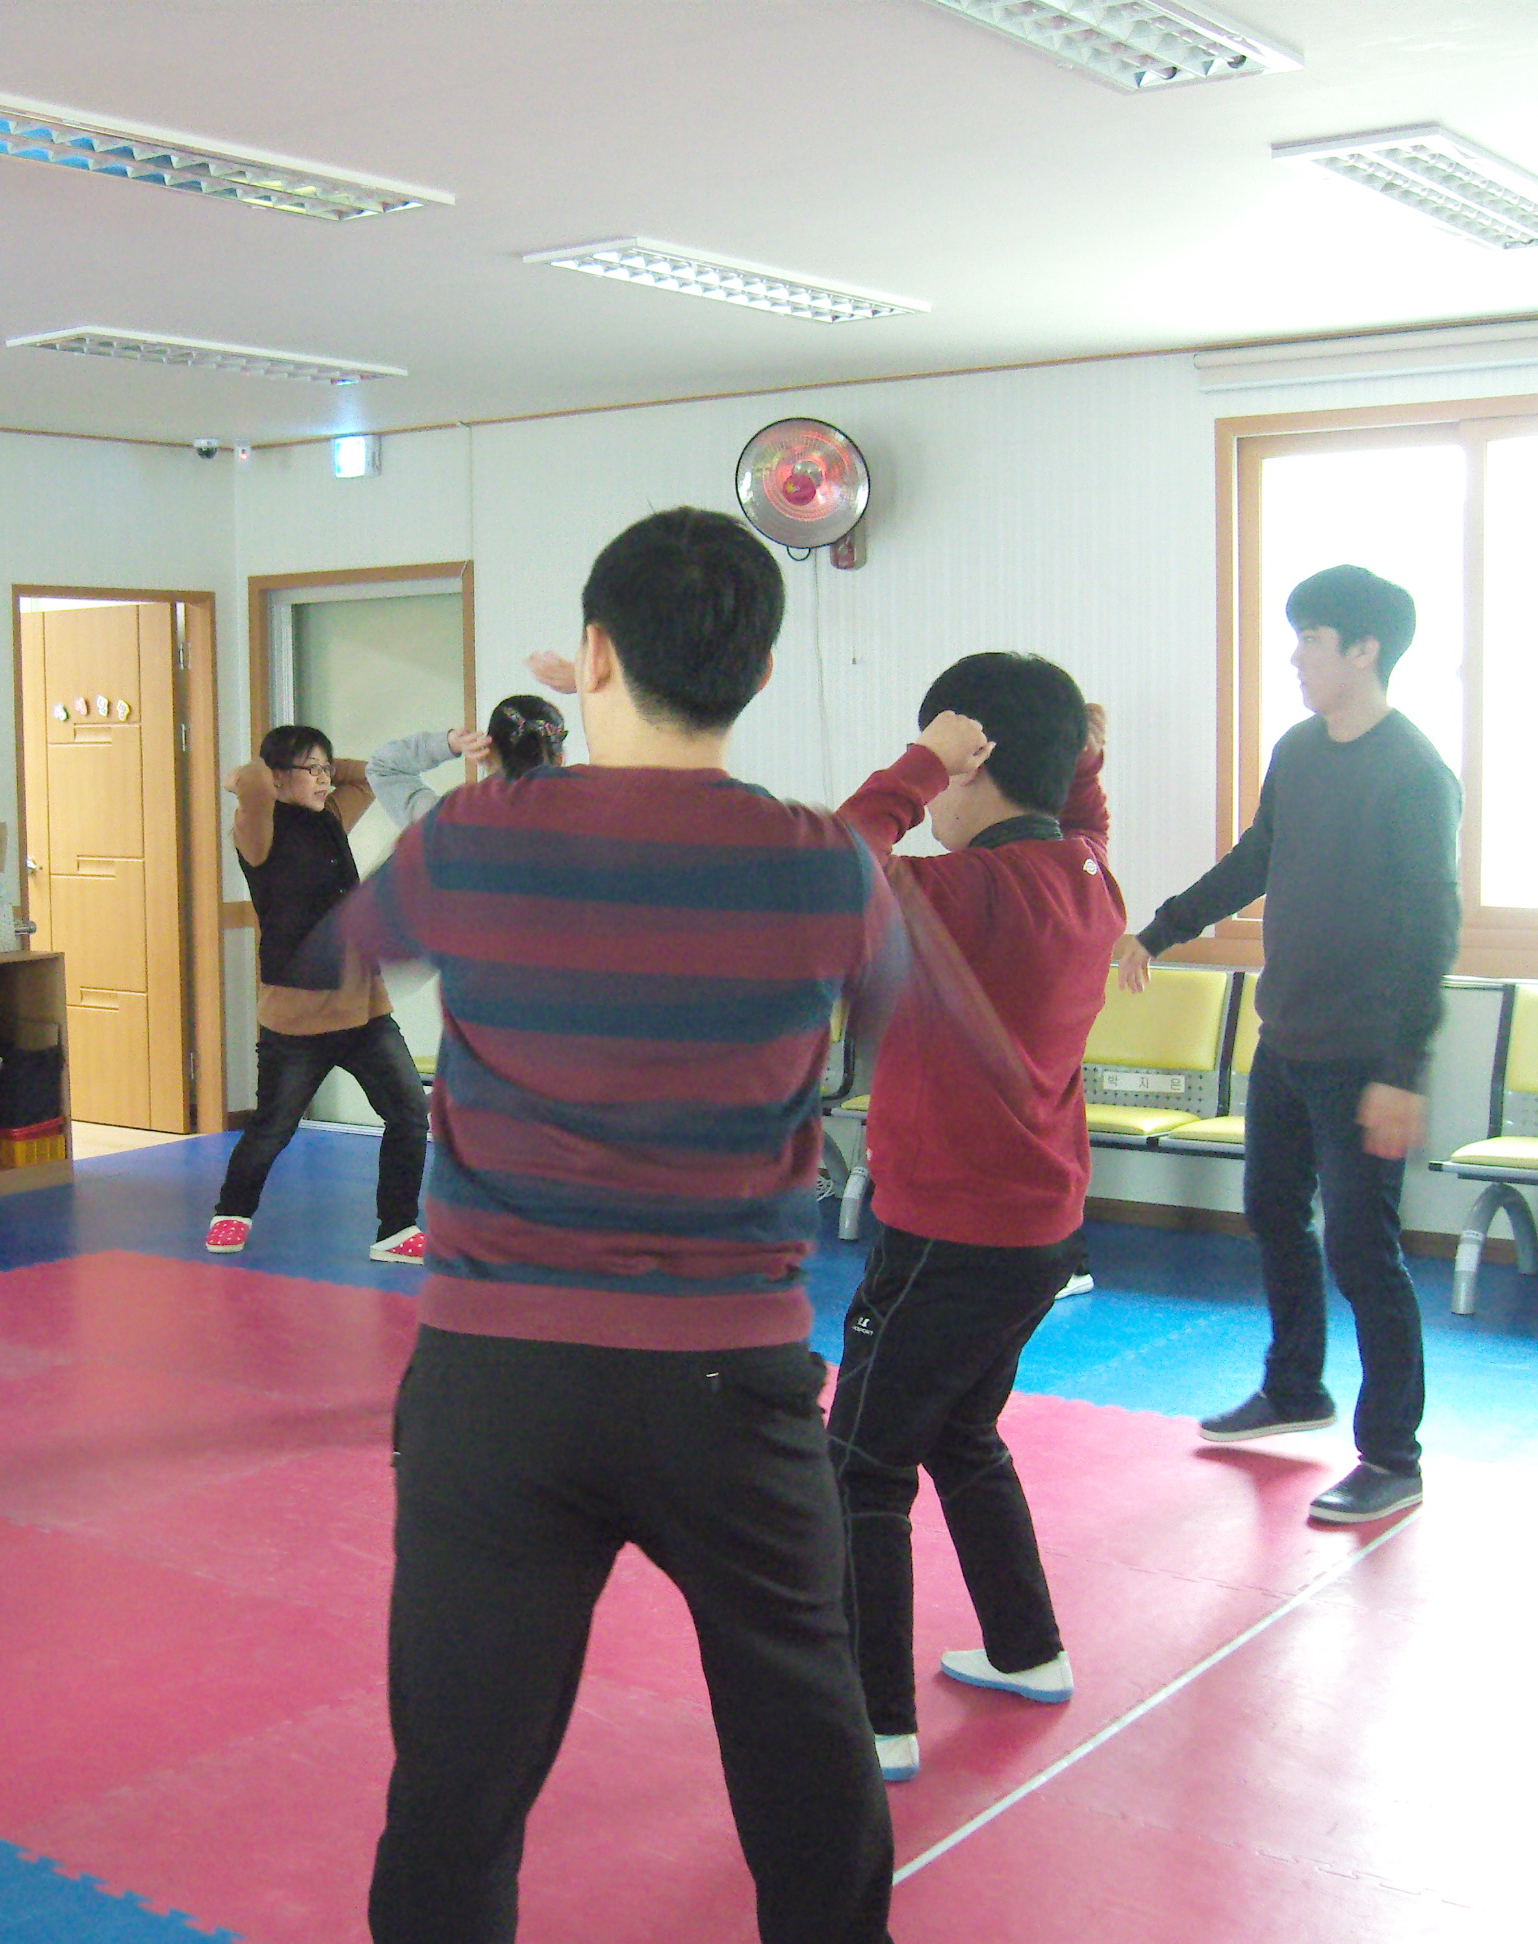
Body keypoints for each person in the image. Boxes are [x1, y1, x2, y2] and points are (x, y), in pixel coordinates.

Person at [339, 508, 903, 1944]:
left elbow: (347, 950)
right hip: (731, 1381)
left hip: (498, 1379)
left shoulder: (475, 835)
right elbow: (881, 1035)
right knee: (806, 1741)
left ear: (593, 654)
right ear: (760, 673)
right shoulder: (827, 864)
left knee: (456, 1779)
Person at [825, 655, 1122, 1786]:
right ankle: (1026, 1648)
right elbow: (1082, 814)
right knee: (960, 1433)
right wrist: (1078, 758)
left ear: (976, 762)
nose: (939, 792)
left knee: (860, 1465)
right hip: (1037, 1236)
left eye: (955, 767)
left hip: (945, 1239)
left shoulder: (960, 896)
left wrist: (919, 763)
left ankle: (872, 1721)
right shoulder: (1088, 875)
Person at [1116, 563, 1460, 1526]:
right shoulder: (1300, 750)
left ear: (1365, 649)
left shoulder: (1416, 773)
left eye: (1311, 639)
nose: (1296, 658)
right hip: (1288, 1038)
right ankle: (1294, 1386)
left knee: (1363, 1252)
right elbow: (1257, 858)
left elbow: (1432, 931)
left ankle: (1392, 1456)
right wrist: (1162, 929)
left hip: (1365, 1058)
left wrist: (1403, 1071)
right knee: (1271, 1210)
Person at [208, 725, 431, 1264]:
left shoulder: (330, 815)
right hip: (297, 1020)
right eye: (312, 769)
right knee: (272, 1127)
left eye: (327, 769)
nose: (326, 779)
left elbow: (368, 776)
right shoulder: (258, 831)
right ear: (278, 777)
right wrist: (255, 775)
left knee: (409, 1113)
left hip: (364, 1011)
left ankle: (397, 1228)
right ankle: (232, 1211)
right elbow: (251, 781)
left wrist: (322, 766)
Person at [365, 692, 568, 825]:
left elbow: (383, 767)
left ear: (485, 752)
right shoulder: (580, 826)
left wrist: (450, 743)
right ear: (560, 760)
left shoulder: (448, 822)